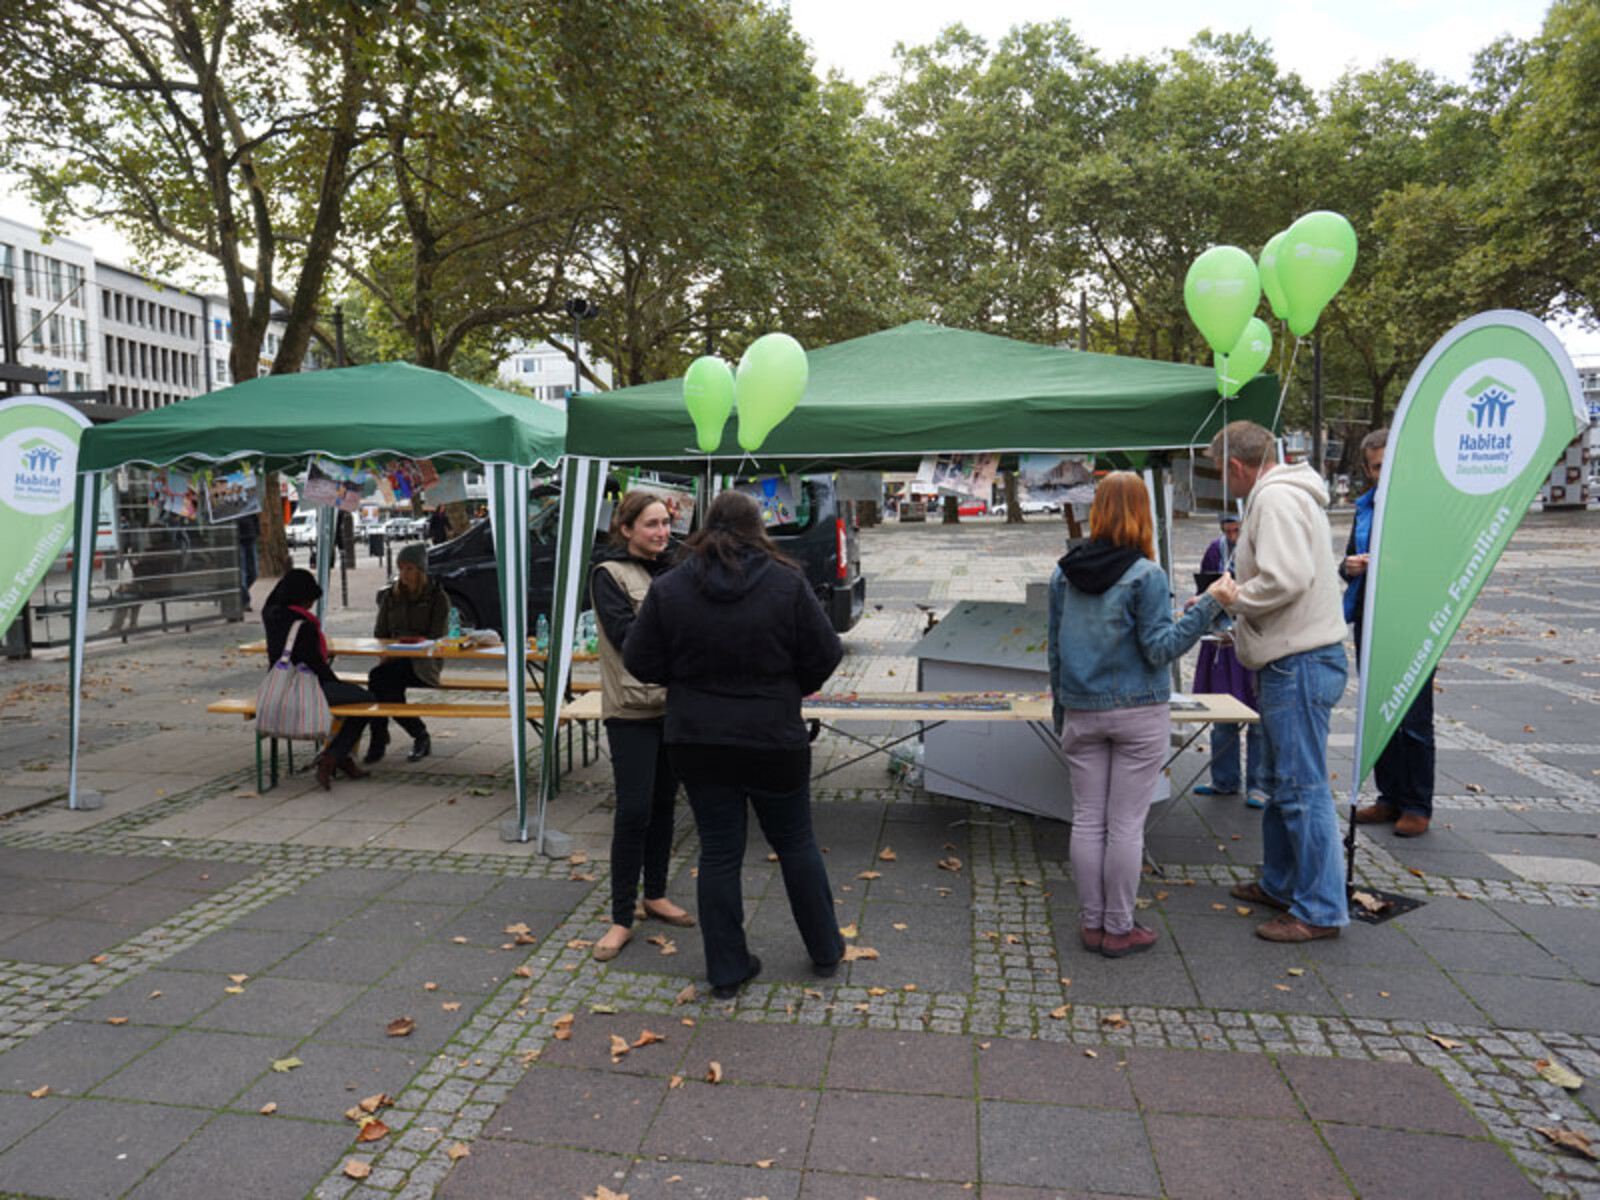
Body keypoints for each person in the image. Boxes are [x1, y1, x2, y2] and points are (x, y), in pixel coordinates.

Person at [624, 490, 844, 1000]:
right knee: (795, 843)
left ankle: (726, 970)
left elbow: (640, 660)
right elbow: (826, 653)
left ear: (705, 527)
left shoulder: (671, 587)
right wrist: (792, 688)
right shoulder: (786, 583)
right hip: (773, 738)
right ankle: (827, 950)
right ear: (756, 529)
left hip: (698, 741)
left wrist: (680, 678)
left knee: (719, 852)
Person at [1049, 472, 1238, 958]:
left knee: (1088, 820)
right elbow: (1160, 650)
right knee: (1126, 824)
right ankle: (1119, 925)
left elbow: (1054, 651)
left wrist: (1060, 711)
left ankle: (1092, 923)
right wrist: (1210, 606)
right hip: (1138, 713)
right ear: (1143, 513)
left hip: (1081, 710)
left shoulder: (1063, 573)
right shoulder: (1146, 576)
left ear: (1097, 509)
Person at [1209, 421, 1350, 943]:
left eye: (1220, 472)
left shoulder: (1274, 500)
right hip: (1295, 658)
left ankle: (1319, 909)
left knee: (1300, 788)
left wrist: (1236, 600)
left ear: (1237, 467)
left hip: (1299, 661)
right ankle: (1282, 882)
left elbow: (1286, 579)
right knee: (1283, 784)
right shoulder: (1282, 496)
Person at [589, 492, 695, 963]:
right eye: (650, 524)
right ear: (626, 528)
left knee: (663, 804)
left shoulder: (675, 570)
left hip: (672, 707)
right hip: (631, 709)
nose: (661, 532)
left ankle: (655, 893)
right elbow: (628, 638)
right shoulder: (608, 575)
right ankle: (619, 917)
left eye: (665, 523)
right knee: (633, 811)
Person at [1341, 427, 1435, 837]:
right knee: (1379, 708)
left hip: (1412, 617)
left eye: (1390, 464)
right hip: (1371, 615)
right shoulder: (1365, 507)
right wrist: (1349, 567)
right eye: (1378, 466)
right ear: (1367, 469)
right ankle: (1389, 797)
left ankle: (1417, 803)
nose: (1384, 472)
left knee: (1412, 715)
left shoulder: (1421, 507)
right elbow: (1346, 560)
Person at [260, 569, 373, 790]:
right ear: (304, 597)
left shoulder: (271, 615)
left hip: (278, 688)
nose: (312, 602)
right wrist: (337, 683)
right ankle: (333, 756)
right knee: (367, 701)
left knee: (349, 698)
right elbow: (317, 667)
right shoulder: (304, 625)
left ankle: (340, 757)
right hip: (307, 689)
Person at [1191, 514, 1268, 808]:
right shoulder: (1215, 550)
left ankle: (1258, 785)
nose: (1233, 536)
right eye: (1228, 531)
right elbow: (1205, 590)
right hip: (1222, 642)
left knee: (1256, 715)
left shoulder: (1262, 549)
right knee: (1223, 714)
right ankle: (1224, 779)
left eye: (1237, 530)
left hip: (1253, 638)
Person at [365, 543, 449, 764]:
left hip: (423, 662)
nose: (404, 574)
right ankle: (415, 735)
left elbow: (438, 636)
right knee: (384, 684)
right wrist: (391, 648)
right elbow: (380, 632)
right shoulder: (390, 596)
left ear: (420, 570)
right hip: (394, 659)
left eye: (409, 568)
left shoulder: (437, 597)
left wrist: (412, 644)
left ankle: (382, 738)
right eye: (401, 568)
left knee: (379, 680)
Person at [236, 511, 260, 612]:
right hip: (238, 539)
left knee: (253, 573)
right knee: (243, 573)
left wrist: (256, 532)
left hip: (251, 538)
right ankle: (244, 601)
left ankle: (241, 595)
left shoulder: (248, 504)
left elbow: (255, 518)